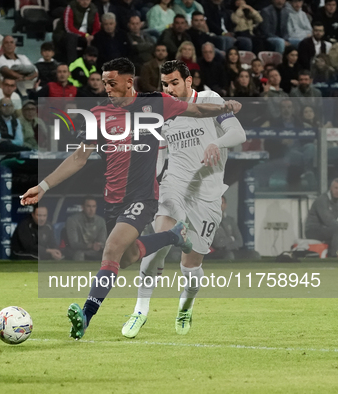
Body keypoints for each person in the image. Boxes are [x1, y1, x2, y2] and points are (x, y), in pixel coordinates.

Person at [20, 57, 242, 340]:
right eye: (104, 83)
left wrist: (225, 107)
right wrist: (44, 186)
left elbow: (196, 109)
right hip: (113, 200)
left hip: (143, 197)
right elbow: (79, 158)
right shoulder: (98, 114)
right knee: (126, 258)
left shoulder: (156, 104)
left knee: (110, 250)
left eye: (112, 83)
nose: (107, 89)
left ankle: (86, 316)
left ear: (129, 81)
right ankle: (174, 236)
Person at [121, 60, 246, 338]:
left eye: (175, 82)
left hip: (208, 195)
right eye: (165, 84)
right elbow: (161, 156)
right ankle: (139, 311)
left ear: (189, 81)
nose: (170, 89)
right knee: (157, 248)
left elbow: (239, 133)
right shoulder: (164, 112)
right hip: (174, 188)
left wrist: (217, 142)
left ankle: (185, 306)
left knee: (191, 266)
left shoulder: (211, 100)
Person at [64, 197, 107, 261]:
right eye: (88, 206)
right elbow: (73, 243)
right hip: (77, 251)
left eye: (93, 206)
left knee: (108, 253)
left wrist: (99, 245)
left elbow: (102, 241)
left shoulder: (101, 221)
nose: (91, 209)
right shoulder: (72, 220)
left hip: (95, 251)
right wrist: (91, 246)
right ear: (82, 207)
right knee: (79, 254)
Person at [305, 179, 338, 257]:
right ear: (331, 188)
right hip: (313, 230)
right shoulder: (322, 200)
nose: (337, 191)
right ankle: (334, 256)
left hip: (326, 229)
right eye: (336, 188)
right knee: (336, 230)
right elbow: (328, 220)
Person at [206, 195, 245, 260]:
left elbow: (240, 241)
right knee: (229, 255)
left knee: (254, 254)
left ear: (225, 205)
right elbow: (217, 243)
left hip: (232, 250)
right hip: (217, 253)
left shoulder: (230, 220)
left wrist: (227, 246)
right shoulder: (209, 221)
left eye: (222, 202)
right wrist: (231, 238)